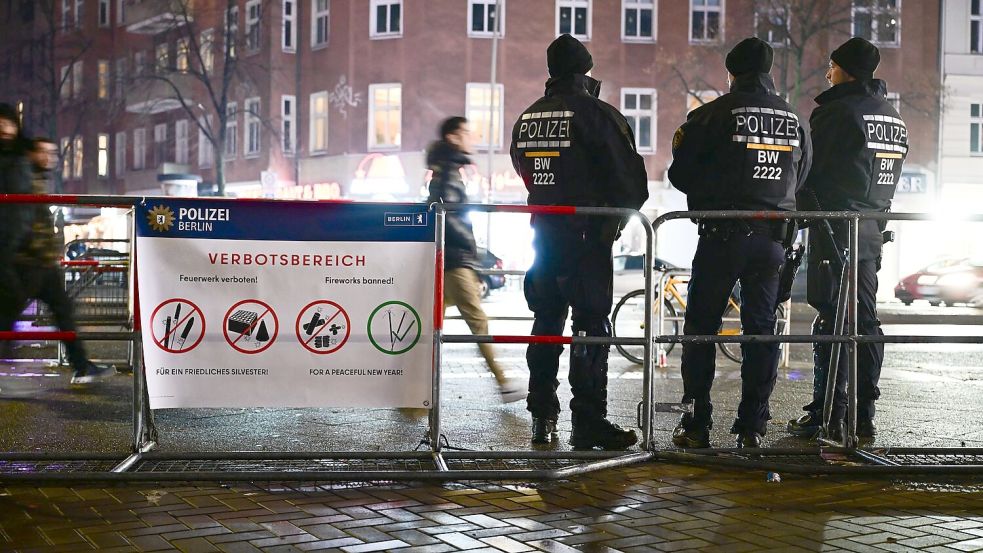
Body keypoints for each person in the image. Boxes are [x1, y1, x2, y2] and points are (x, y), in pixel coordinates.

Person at [668, 38, 812, 448]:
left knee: (701, 329)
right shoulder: (794, 120)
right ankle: (752, 427)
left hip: (721, 235)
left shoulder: (710, 115)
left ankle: (696, 425)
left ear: (730, 74)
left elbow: (680, 174)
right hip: (772, 241)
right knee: (761, 330)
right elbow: (802, 177)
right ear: (769, 71)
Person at [510, 34, 648, 449]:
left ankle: (542, 417)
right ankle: (588, 421)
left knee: (546, 321)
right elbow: (632, 182)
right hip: (587, 236)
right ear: (586, 70)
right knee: (590, 326)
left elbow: (524, 168)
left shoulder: (529, 116)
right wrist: (612, 223)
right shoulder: (597, 114)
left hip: (544, 235)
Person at [787, 37, 907, 441]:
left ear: (846, 70)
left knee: (832, 319)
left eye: (832, 66)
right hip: (872, 233)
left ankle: (828, 412)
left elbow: (810, 172)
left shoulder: (838, 113)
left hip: (834, 228)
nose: (827, 72)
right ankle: (863, 412)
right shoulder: (891, 115)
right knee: (865, 320)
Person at [0, 132, 115, 385]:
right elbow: (19, 222)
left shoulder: (35, 178)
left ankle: (81, 365)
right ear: (30, 153)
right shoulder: (22, 177)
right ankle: (80, 365)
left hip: (40, 261)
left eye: (52, 153)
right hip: (27, 261)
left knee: (62, 311)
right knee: (10, 315)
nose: (49, 157)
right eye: (43, 152)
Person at [427, 116, 522, 403]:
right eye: (467, 132)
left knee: (432, 327)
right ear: (453, 137)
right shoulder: (446, 174)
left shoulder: (446, 169)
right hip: (455, 261)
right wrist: (470, 245)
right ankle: (503, 381)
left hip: (451, 258)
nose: (472, 138)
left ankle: (412, 399)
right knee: (477, 322)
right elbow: (447, 213)